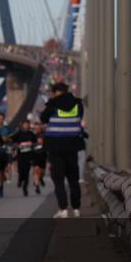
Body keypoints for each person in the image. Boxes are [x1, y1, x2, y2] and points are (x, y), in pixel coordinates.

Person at [40, 82, 85, 218]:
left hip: (56, 148)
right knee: (73, 179)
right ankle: (76, 208)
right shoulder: (78, 104)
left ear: (55, 92)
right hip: (72, 146)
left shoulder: (53, 104)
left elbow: (43, 118)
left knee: (58, 180)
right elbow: (80, 118)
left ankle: (63, 209)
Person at [10, 119, 38, 197]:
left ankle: (25, 189)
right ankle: (20, 180)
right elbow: (11, 140)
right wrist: (17, 145)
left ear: (29, 125)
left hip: (29, 155)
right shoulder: (19, 133)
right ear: (22, 125)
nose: (26, 125)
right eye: (25, 124)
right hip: (20, 155)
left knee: (26, 173)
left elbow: (35, 143)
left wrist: (32, 145)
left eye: (27, 124)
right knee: (21, 171)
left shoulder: (31, 134)